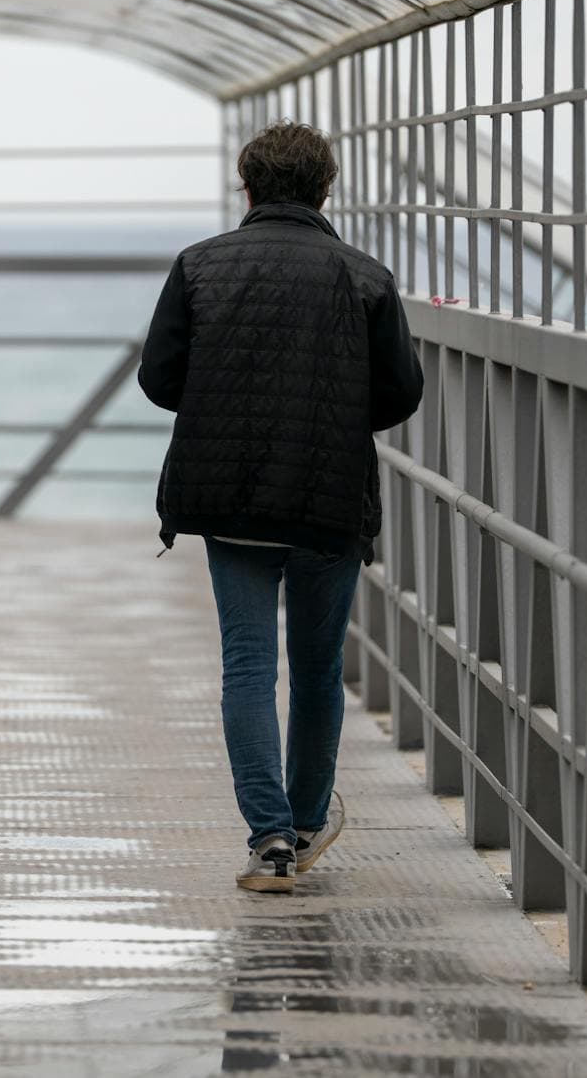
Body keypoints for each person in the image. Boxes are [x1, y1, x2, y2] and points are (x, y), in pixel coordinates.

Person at [138, 120, 424, 893]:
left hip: (231, 495)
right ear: (326, 188)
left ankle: (268, 840)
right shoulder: (365, 276)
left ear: (249, 186)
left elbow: (160, 377)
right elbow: (401, 391)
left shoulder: (200, 266)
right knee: (319, 666)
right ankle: (303, 821)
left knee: (248, 663)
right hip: (328, 496)